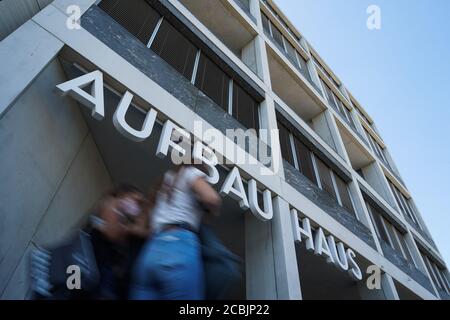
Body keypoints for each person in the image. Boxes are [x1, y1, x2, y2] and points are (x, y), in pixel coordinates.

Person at [130, 164, 221, 300]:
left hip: (151, 251)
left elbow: (142, 230)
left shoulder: (164, 183)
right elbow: (212, 198)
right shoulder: (190, 172)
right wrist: (208, 208)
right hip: (179, 245)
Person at [90, 184, 149, 299]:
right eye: (136, 200)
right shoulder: (112, 203)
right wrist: (134, 230)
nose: (137, 206)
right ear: (124, 195)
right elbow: (112, 233)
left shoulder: (122, 215)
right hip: (96, 262)